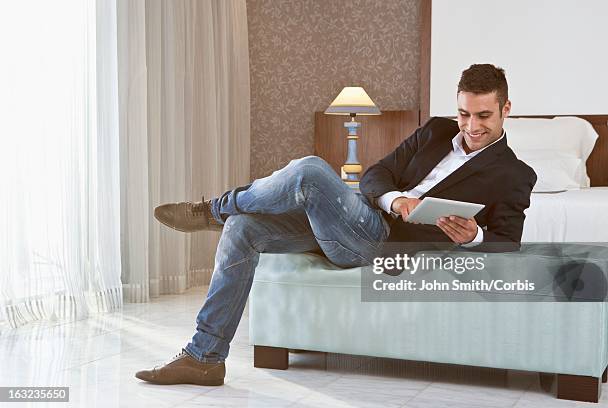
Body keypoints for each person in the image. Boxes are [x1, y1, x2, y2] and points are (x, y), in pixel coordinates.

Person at [135, 63, 536, 385]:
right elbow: (376, 174)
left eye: (483, 115)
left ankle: (213, 208)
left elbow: (508, 243)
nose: (471, 126)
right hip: (359, 217)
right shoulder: (435, 130)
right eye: (464, 113)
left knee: (309, 170)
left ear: (506, 109)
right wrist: (396, 199)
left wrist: (474, 236)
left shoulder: (514, 174)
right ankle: (204, 357)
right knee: (243, 227)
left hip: (380, 244)